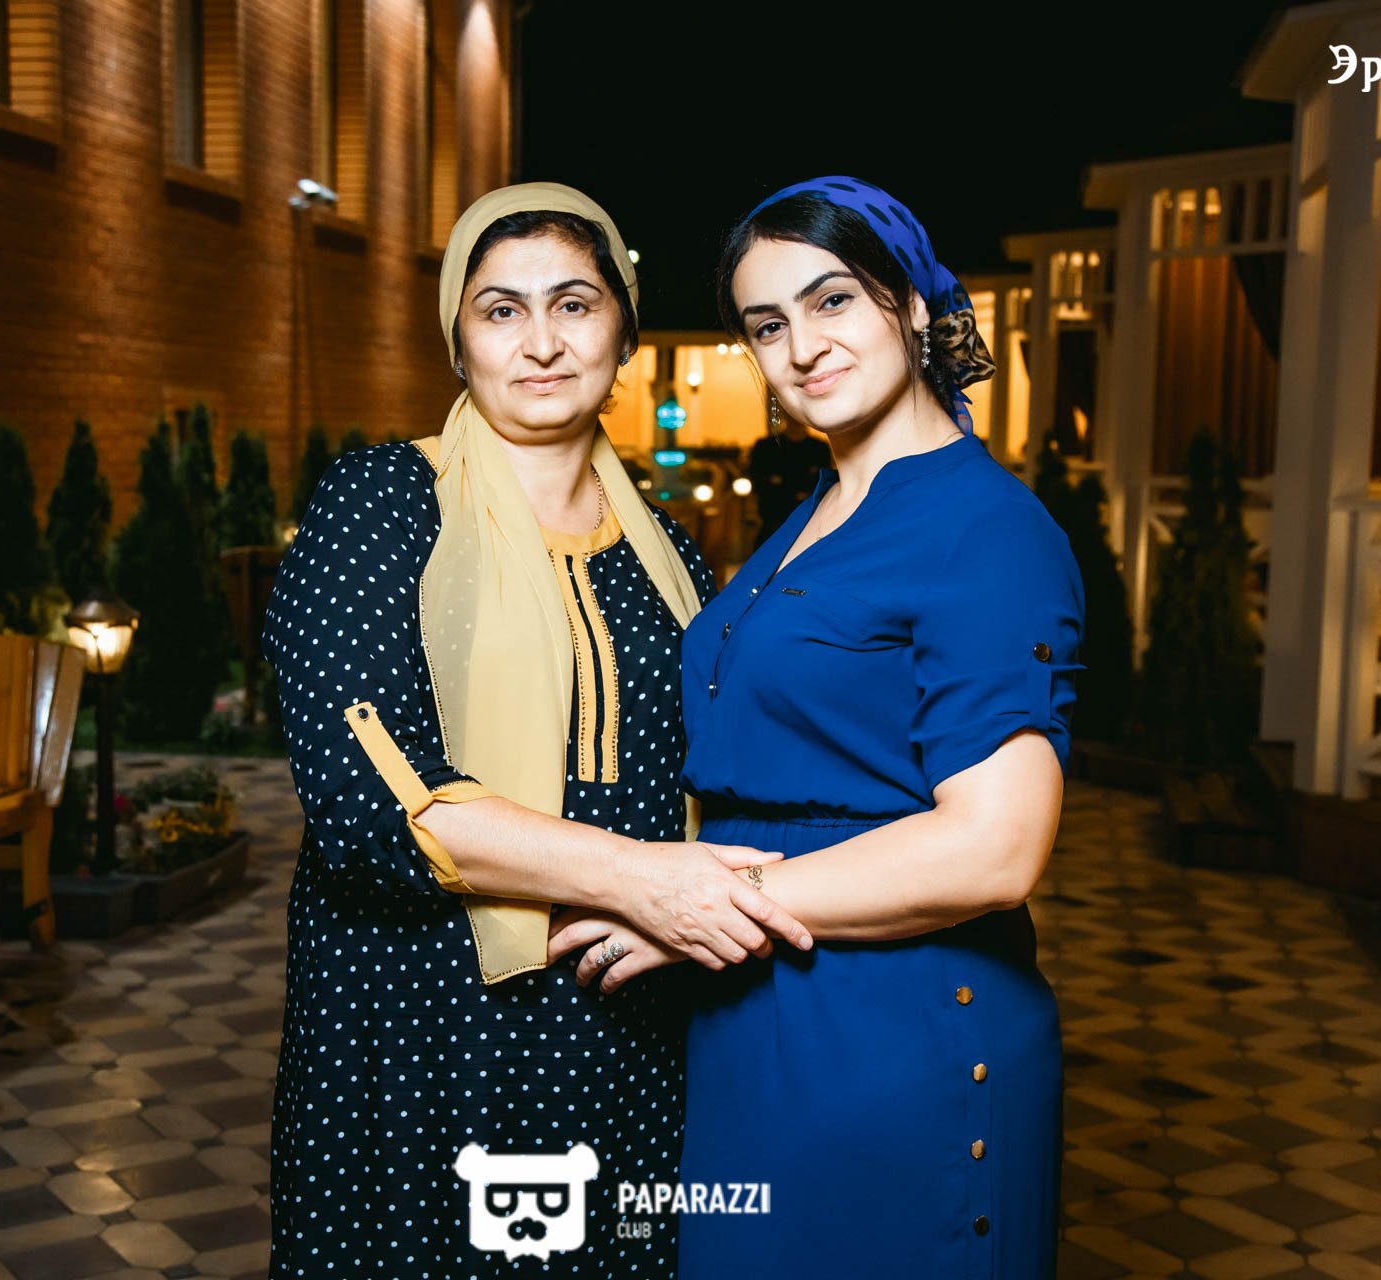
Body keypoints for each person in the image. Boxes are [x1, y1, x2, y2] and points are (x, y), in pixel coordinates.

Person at [262, 182, 813, 1279]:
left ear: (624, 331)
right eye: (501, 310)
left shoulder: (667, 551)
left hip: (627, 1014)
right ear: (458, 340)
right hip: (422, 1019)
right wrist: (639, 878)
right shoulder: (382, 503)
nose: (542, 342)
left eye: (574, 303)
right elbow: (371, 803)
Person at [550, 177, 1085, 1277]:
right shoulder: (819, 508)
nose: (801, 347)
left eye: (832, 299)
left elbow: (996, 846)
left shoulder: (986, 527)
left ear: (916, 306)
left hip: (896, 1027)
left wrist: (703, 905)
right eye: (767, 324)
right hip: (755, 1014)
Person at [745, 408, 832, 546]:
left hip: (809, 522)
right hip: (774, 521)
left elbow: (823, 484)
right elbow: (758, 481)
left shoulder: (819, 449)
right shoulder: (766, 447)